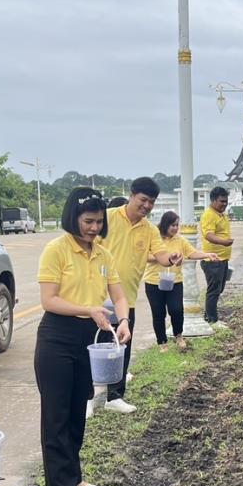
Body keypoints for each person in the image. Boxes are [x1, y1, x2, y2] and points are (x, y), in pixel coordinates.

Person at [36, 187, 131, 486]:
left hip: (87, 336)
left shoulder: (103, 254)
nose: (94, 228)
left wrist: (124, 320)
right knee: (57, 413)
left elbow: (118, 295)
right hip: (57, 337)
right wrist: (87, 308)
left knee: (78, 409)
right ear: (72, 219)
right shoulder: (57, 250)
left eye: (98, 222)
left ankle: (74, 479)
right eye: (88, 221)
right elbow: (49, 300)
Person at [100, 177, 176, 413]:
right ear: (132, 195)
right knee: (93, 346)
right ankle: (87, 397)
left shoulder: (150, 230)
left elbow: (161, 254)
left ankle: (114, 397)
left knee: (121, 346)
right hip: (97, 296)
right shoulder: (108, 217)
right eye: (143, 200)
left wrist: (171, 259)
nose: (146, 206)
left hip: (127, 298)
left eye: (151, 202)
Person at [144, 210, 221, 351]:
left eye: (177, 225)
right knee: (158, 312)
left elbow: (191, 253)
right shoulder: (154, 238)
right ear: (165, 224)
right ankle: (162, 342)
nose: (175, 228)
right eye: (172, 225)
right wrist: (165, 258)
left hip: (174, 281)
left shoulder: (179, 240)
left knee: (177, 309)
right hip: (154, 282)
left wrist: (207, 255)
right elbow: (145, 256)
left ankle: (178, 336)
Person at [199, 186, 233, 329]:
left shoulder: (222, 214)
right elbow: (208, 235)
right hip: (212, 260)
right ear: (213, 200)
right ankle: (212, 320)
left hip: (223, 259)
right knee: (214, 290)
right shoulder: (209, 215)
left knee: (219, 289)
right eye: (221, 201)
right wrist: (224, 242)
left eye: (226, 201)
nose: (224, 204)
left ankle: (209, 315)